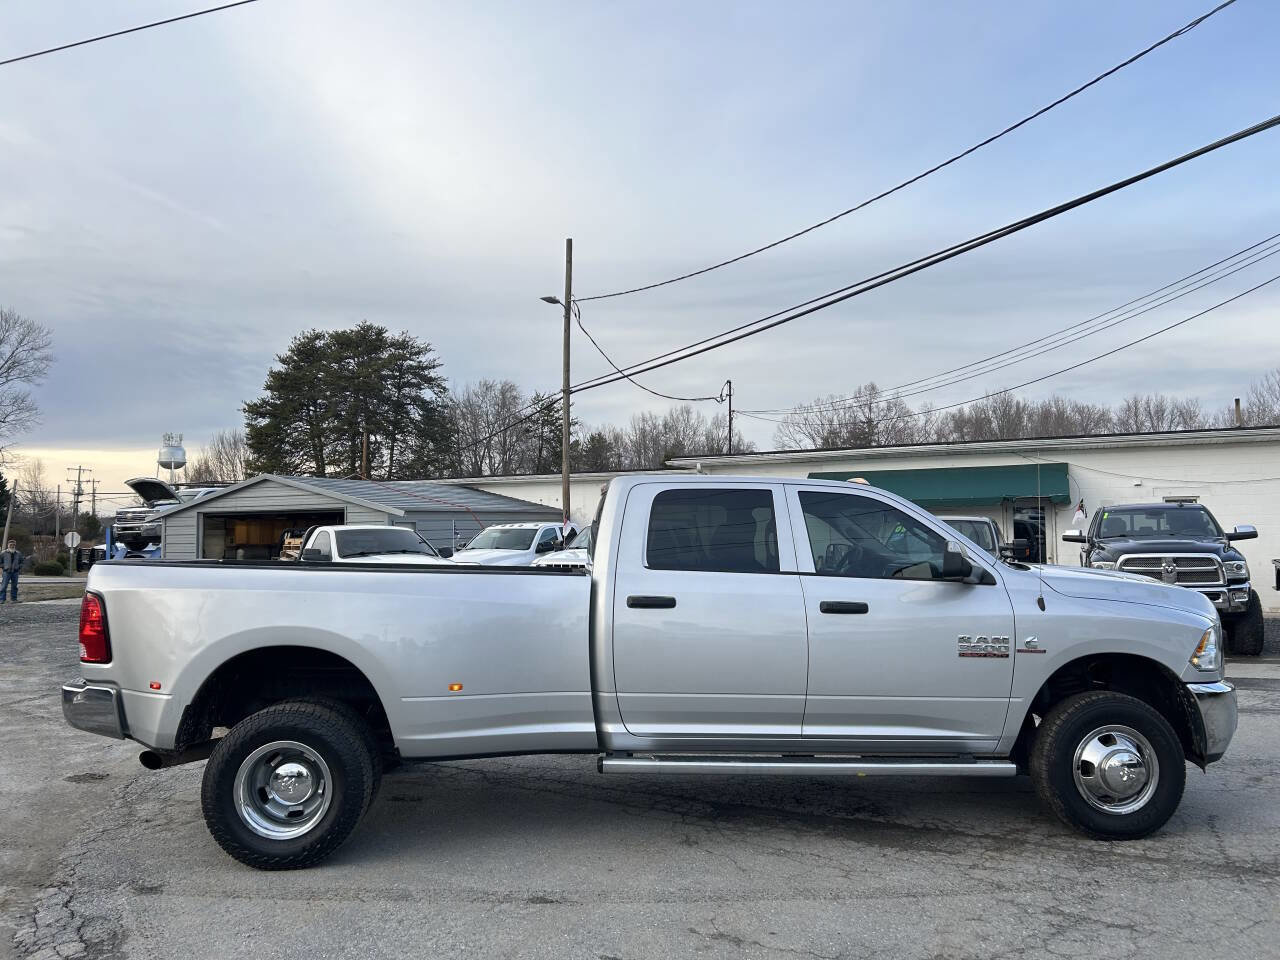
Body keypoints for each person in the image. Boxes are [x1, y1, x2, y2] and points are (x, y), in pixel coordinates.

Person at [0, 539, 22, 604]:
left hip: (15, 572)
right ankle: (2, 599)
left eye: (13, 545)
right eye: (11, 544)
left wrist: (19, 567)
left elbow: (22, 562)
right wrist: (5, 566)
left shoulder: (18, 553)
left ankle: (14, 599)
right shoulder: (3, 553)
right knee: (4, 586)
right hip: (6, 572)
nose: (12, 546)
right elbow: (0, 562)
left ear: (15, 545)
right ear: (8, 545)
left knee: (14, 586)